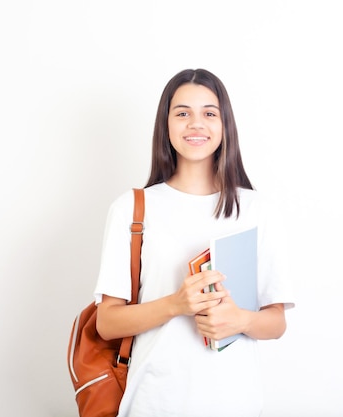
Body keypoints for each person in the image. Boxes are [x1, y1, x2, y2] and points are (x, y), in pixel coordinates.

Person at [93, 68, 295, 417]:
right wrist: (176, 304)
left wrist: (240, 321)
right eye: (182, 113)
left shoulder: (256, 210)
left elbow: (276, 322)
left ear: (225, 125)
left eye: (209, 113)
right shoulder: (132, 207)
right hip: (154, 402)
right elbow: (106, 322)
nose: (196, 124)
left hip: (236, 402)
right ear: (166, 125)